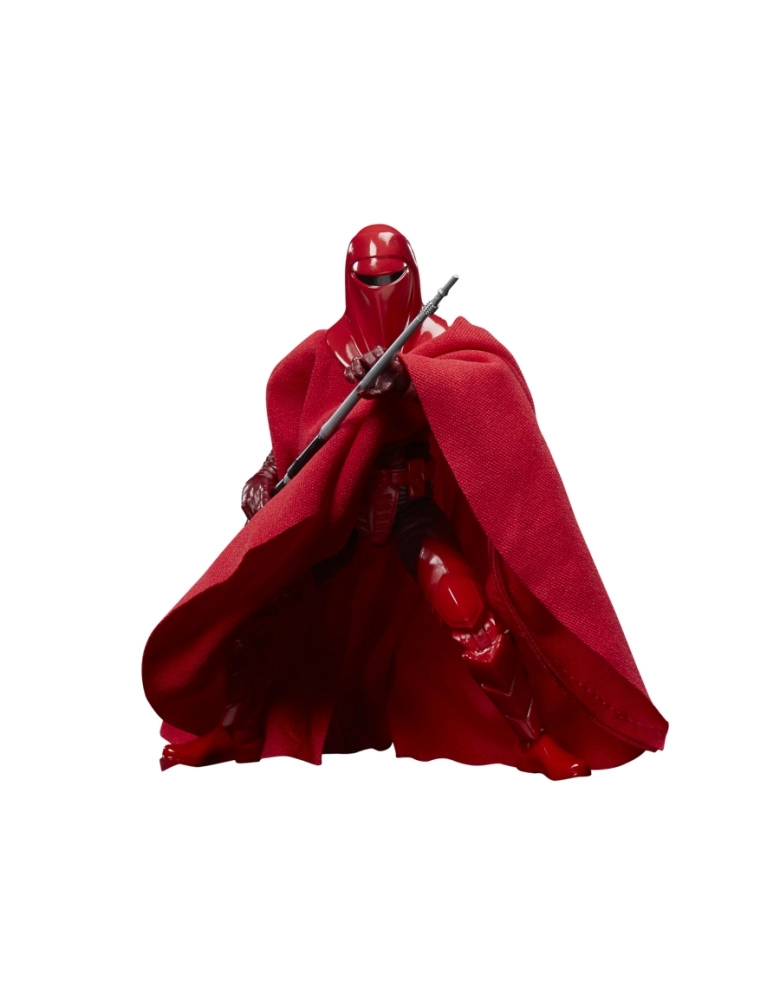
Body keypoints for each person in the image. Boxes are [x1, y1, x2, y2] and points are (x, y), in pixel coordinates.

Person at [143, 224, 667, 780]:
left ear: (411, 275)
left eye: (391, 277)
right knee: (259, 604)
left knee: (467, 609)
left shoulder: (438, 340)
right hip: (338, 511)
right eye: (368, 279)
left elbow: (489, 396)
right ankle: (238, 730)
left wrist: (413, 381)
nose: (381, 291)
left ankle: (534, 740)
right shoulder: (326, 350)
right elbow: (301, 433)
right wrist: (266, 473)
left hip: (409, 508)